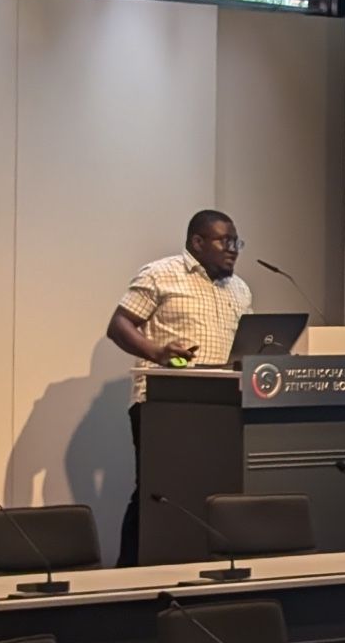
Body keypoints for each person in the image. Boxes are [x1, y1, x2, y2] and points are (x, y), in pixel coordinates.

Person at [106, 210, 252, 567]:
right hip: (162, 403)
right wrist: (157, 352)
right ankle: (127, 576)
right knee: (157, 492)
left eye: (237, 242)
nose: (233, 249)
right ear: (197, 242)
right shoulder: (161, 274)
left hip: (221, 405)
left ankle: (199, 566)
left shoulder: (240, 289)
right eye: (224, 241)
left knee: (212, 491)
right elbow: (119, 324)